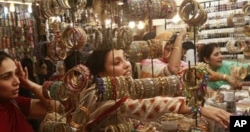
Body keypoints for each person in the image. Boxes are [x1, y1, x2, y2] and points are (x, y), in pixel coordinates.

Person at [83, 48, 230, 131]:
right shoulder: (95, 95)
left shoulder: (127, 87)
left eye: (125, 58)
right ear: (101, 74)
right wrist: (192, 106)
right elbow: (139, 106)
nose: (127, 64)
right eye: (117, 62)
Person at [0, 51, 59, 132]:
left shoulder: (15, 103)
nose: (17, 81)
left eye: (16, 73)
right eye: (7, 77)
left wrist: (29, 84)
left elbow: (57, 108)